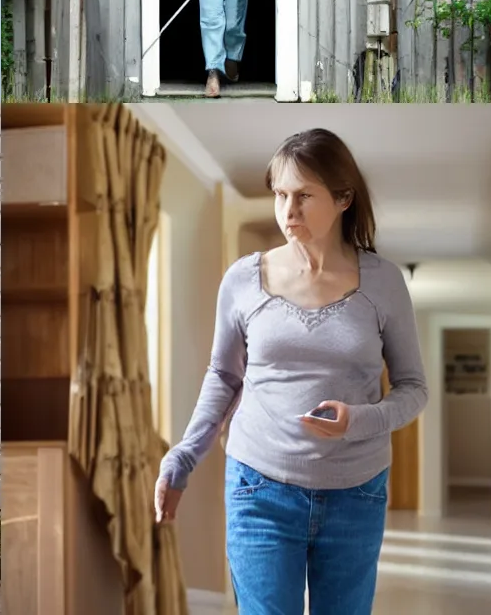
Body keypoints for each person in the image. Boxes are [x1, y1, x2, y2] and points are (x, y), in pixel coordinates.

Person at [155, 129, 428, 615]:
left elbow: (413, 389)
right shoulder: (243, 278)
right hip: (258, 486)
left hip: (357, 491)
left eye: (304, 196)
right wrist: (183, 457)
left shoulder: (384, 283)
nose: (288, 211)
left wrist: (359, 420)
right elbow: (224, 376)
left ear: (344, 198)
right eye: (280, 194)